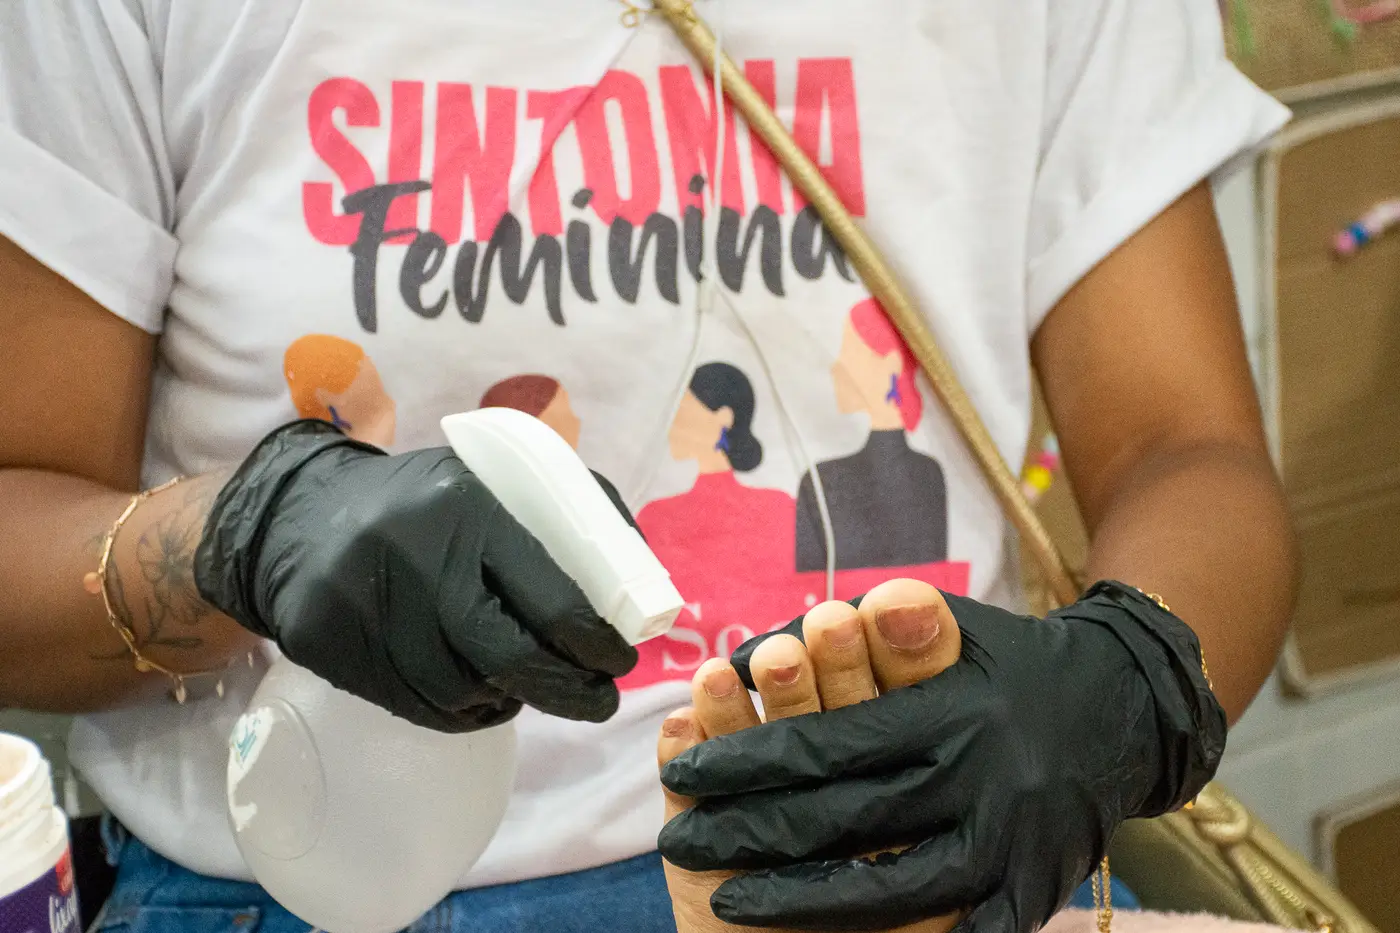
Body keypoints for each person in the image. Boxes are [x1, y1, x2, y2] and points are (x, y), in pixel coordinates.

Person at [0, 2, 1298, 932]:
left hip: (907, 859)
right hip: (315, 874)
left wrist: (1126, 683)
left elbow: (1187, 450)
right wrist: (244, 535)